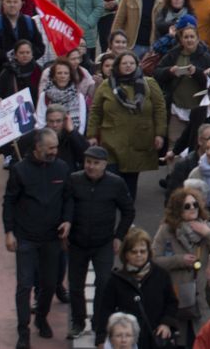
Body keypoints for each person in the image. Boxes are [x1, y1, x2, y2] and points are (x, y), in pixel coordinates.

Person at [3, 127, 72, 349]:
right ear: (37, 147)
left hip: (52, 238)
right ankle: (23, 331)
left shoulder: (62, 168)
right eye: (50, 148)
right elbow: (9, 201)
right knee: (24, 286)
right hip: (26, 238)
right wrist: (9, 232)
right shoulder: (19, 170)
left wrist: (67, 220)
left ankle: (41, 317)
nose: (55, 151)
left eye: (56, 147)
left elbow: (68, 198)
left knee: (50, 284)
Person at [67, 145, 135, 339]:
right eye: (88, 162)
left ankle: (99, 323)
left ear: (105, 165)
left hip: (103, 243)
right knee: (75, 286)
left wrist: (119, 236)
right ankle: (78, 322)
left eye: (96, 163)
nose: (91, 166)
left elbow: (128, 211)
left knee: (104, 283)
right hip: (77, 242)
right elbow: (67, 206)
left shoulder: (116, 183)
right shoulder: (74, 180)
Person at [152, 187, 210, 346]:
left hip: (201, 299)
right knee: (179, 342)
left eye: (195, 204)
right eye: (187, 206)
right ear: (178, 210)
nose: (192, 208)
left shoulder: (207, 229)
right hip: (176, 298)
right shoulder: (166, 230)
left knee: (201, 342)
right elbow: (154, 260)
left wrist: (209, 235)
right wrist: (179, 260)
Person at [87, 52, 168, 199]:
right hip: (111, 140)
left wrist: (159, 134)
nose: (128, 66)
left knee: (130, 184)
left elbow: (160, 109)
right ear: (118, 66)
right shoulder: (106, 85)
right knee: (110, 178)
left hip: (138, 140)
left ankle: (127, 214)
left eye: (131, 63)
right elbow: (96, 111)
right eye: (124, 63)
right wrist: (92, 135)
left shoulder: (148, 83)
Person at [93, 227, 178, 349]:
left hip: (154, 340)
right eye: (134, 252)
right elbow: (105, 310)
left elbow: (171, 302)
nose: (139, 255)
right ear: (126, 254)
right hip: (127, 342)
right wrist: (101, 338)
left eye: (143, 251)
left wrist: (166, 323)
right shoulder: (116, 280)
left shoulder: (161, 275)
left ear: (148, 252)